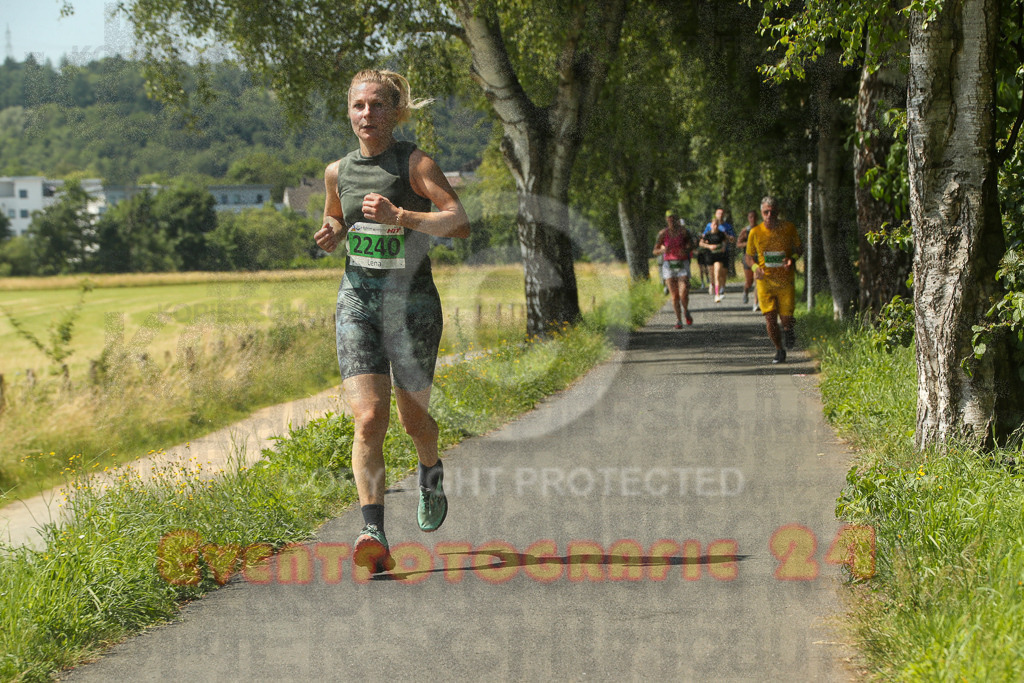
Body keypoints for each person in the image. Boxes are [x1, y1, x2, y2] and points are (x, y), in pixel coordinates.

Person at [314, 69, 470, 573]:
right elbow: (338, 215)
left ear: (395, 111)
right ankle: (373, 530)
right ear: (349, 111)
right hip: (357, 301)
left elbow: (459, 223)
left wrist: (402, 217)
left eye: (377, 106)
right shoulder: (337, 171)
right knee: (367, 419)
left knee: (412, 421)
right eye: (359, 106)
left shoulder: (416, 163)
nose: (367, 115)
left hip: (413, 307)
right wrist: (333, 231)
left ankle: (430, 470)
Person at [745, 196, 802, 364]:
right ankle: (778, 349)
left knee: (786, 319)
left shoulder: (789, 228)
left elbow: (800, 249)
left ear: (778, 212)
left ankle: (789, 329)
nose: (769, 215)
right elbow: (748, 257)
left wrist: (792, 259)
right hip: (765, 282)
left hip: (785, 281)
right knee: (770, 318)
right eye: (766, 212)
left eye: (772, 212)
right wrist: (756, 268)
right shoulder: (755, 232)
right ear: (762, 213)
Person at [653, 211, 694, 328]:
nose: (671, 221)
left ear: (676, 219)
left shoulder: (684, 232)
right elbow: (654, 251)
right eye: (669, 219)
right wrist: (662, 250)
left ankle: (686, 310)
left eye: (673, 218)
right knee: (674, 296)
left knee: (683, 293)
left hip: (682, 263)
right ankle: (678, 320)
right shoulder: (662, 234)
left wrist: (686, 250)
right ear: (666, 220)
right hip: (669, 265)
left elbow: (692, 245)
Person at [699, 216, 730, 303]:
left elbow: (724, 242)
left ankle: (717, 295)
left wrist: (723, 247)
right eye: (714, 224)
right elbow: (701, 243)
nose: (715, 226)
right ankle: (712, 284)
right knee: (712, 275)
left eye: (717, 224)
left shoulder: (721, 234)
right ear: (711, 225)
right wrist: (709, 246)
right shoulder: (708, 234)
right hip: (710, 256)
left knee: (717, 274)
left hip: (719, 256)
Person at [736, 210, 758, 309]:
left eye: (754, 217)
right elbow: (738, 244)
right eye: (751, 217)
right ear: (748, 219)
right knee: (749, 281)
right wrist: (747, 244)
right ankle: (746, 290)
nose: (752, 219)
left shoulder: (760, 229)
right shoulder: (746, 230)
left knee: (757, 279)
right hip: (748, 257)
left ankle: (756, 303)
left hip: (759, 257)